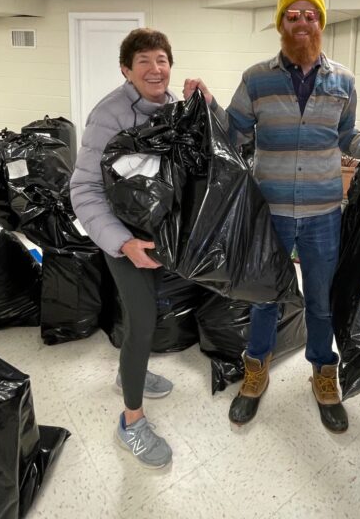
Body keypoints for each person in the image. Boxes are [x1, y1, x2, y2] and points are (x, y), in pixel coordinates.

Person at [225, 0, 360, 433]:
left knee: (321, 301)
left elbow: (347, 137)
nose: (302, 22)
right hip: (272, 210)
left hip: (325, 210)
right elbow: (231, 135)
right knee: (267, 297)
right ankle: (255, 371)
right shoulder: (256, 79)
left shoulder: (343, 80)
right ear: (281, 23)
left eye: (311, 15)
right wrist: (203, 106)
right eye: (293, 15)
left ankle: (324, 375)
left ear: (321, 24)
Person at [70, 27, 221, 469]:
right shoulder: (109, 114)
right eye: (144, 62)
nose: (155, 69)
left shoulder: (174, 107)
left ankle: (125, 375)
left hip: (159, 236)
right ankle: (130, 422)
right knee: (142, 322)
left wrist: (208, 106)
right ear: (126, 70)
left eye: (162, 60)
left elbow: (222, 146)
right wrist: (122, 243)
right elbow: (83, 188)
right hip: (125, 239)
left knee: (149, 312)